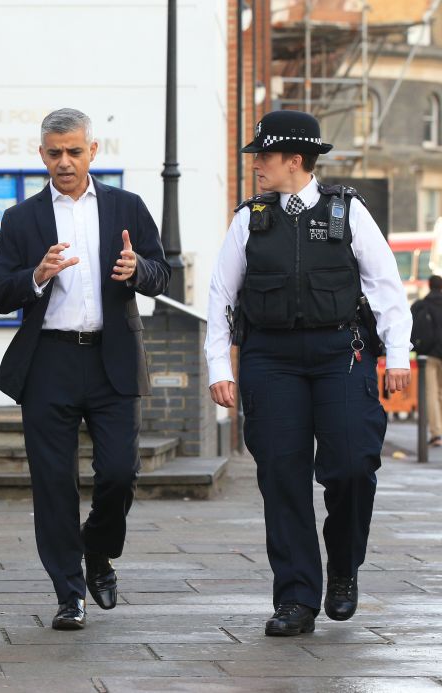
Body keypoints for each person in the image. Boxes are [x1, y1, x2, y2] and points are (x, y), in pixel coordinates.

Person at [205, 110, 411, 636]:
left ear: (293, 160)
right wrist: (217, 365)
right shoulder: (249, 218)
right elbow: (222, 295)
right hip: (269, 359)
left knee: (350, 466)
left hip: (341, 353)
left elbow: (387, 287)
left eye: (264, 157)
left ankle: (342, 568)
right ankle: (296, 598)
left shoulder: (349, 212)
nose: (256, 166)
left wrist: (400, 356)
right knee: (282, 477)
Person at [0, 108, 170, 630]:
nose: (64, 162)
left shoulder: (125, 207)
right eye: (54, 153)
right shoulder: (21, 219)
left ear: (94, 151)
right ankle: (69, 592)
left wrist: (139, 271)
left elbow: (163, 274)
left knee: (119, 473)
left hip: (112, 359)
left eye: (74, 151)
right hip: (49, 362)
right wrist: (36, 276)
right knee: (52, 483)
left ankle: (99, 551)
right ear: (41, 155)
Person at [411, 275, 442, 446]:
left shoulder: (421, 305)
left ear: (429, 286)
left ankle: (436, 434)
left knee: (431, 393)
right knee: (440, 393)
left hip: (429, 355)